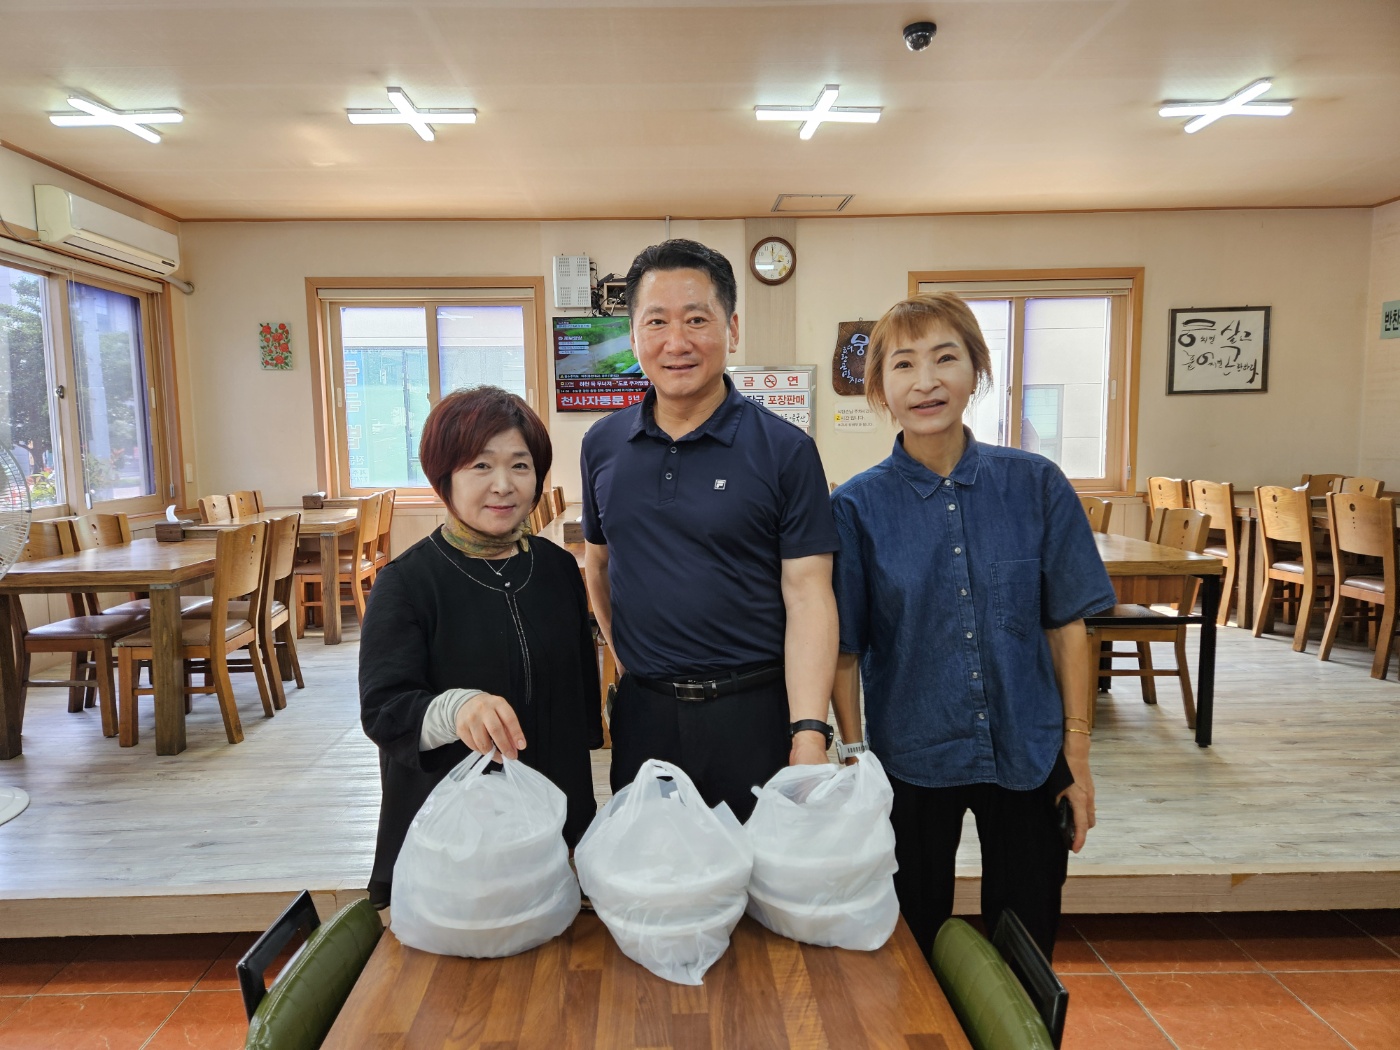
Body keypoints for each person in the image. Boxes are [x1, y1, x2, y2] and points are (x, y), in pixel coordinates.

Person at [829, 292, 1117, 961]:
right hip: (911, 754)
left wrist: (1076, 755)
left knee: (1028, 934)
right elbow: (845, 649)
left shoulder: (1037, 485)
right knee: (910, 935)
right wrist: (853, 756)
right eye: (904, 365)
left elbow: (1067, 626)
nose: (926, 381)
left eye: (945, 358)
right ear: (880, 389)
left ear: (977, 372)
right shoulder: (856, 506)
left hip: (1029, 746)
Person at [581, 238, 839, 821]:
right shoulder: (602, 445)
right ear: (633, 336)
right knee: (654, 883)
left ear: (732, 327)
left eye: (697, 319)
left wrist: (809, 733)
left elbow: (809, 595)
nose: (677, 342)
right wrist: (629, 662)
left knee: (763, 887)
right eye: (657, 322)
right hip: (645, 718)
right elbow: (599, 563)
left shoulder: (785, 450)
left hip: (755, 715)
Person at [360, 386, 602, 908]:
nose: (503, 485)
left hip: (553, 834)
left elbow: (579, 697)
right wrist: (454, 707)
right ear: (444, 477)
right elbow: (384, 711)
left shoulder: (557, 569)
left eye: (520, 465)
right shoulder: (407, 583)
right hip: (453, 844)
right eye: (479, 466)